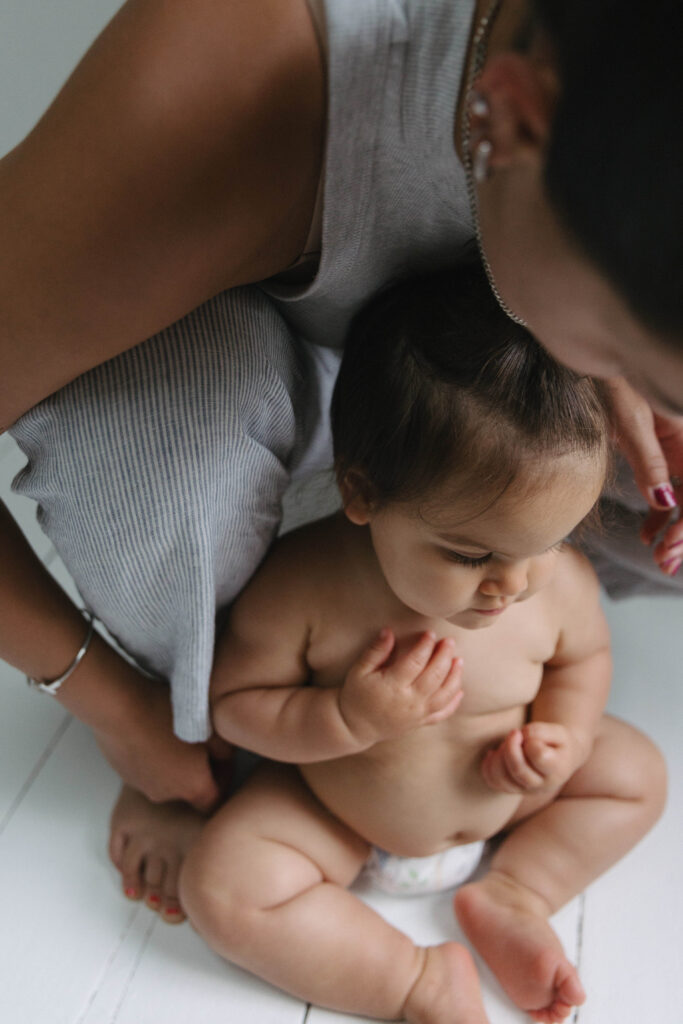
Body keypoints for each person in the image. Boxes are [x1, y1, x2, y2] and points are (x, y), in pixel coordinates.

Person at [0, 0, 680, 914]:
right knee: (161, 475)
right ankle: (188, 724)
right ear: (512, 117)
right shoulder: (229, 77)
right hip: (241, 366)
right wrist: (113, 704)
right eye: (631, 358)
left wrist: (593, 379)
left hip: (470, 418)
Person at [178, 264, 667, 1024]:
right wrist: (346, 720)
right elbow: (235, 706)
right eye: (472, 556)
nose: (513, 584)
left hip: (510, 804)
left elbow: (583, 658)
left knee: (633, 771)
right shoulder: (305, 589)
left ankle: (518, 892)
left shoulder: (553, 580)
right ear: (361, 493)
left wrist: (563, 739)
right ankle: (409, 982)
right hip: (341, 818)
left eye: (549, 541)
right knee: (224, 885)